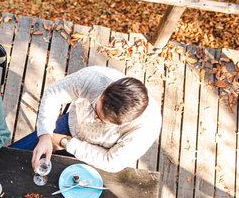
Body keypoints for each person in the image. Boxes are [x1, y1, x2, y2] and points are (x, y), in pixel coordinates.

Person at [12, 66, 162, 173]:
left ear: (123, 124)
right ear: (109, 86)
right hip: (72, 126)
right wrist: (45, 135)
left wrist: (65, 142)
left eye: (102, 120)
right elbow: (53, 94)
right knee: (14, 154)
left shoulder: (146, 129)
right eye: (95, 107)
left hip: (100, 155)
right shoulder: (93, 78)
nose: (93, 117)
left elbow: (112, 162)